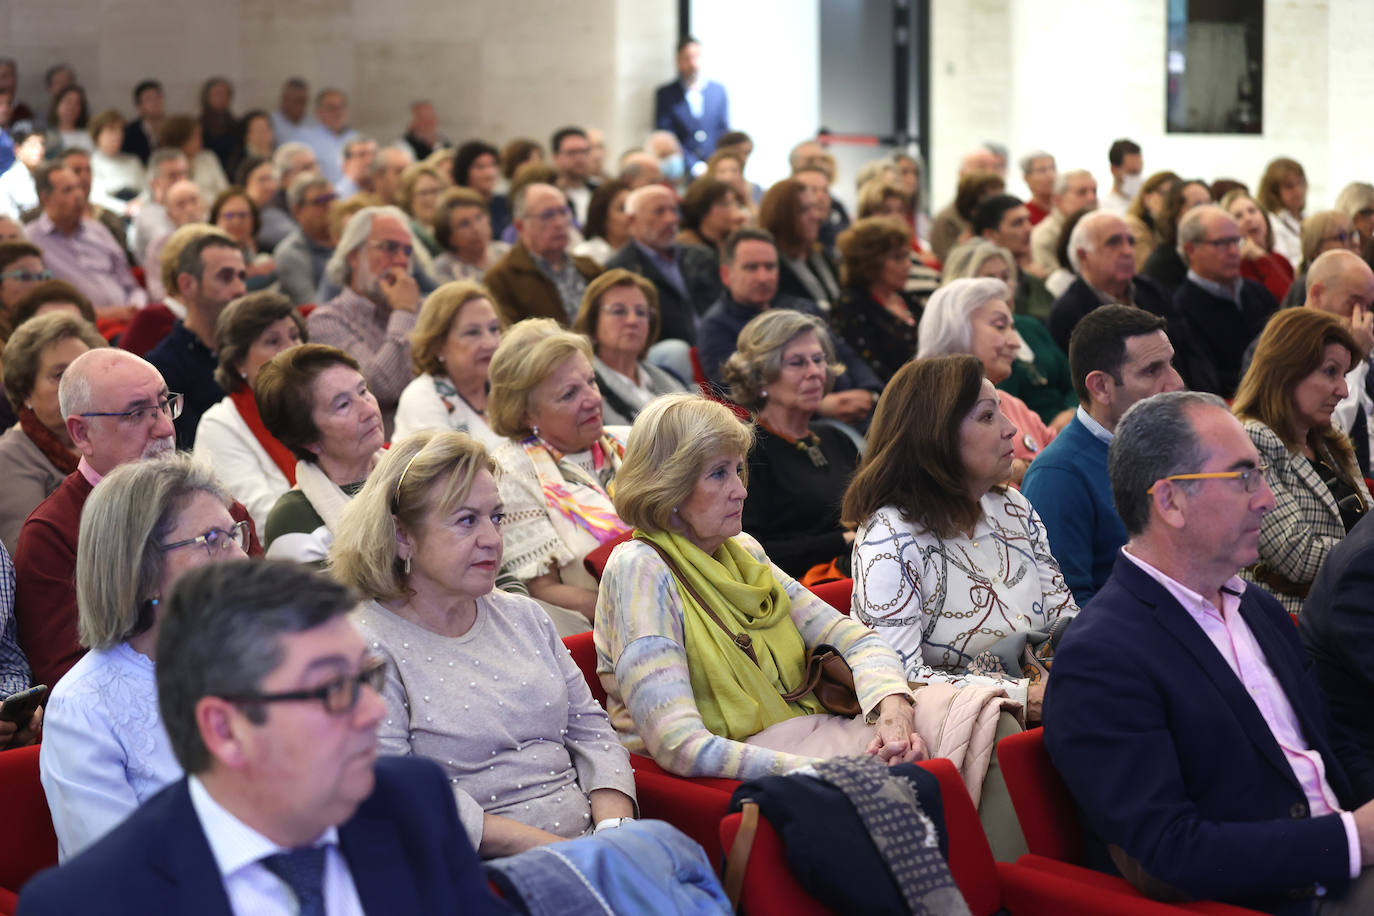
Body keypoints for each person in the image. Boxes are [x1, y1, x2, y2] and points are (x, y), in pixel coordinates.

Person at [19, 558, 510, 915]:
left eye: (367, 678)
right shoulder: (95, 900)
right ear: (225, 729)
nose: (372, 711)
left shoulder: (412, 802)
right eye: (334, 688)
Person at [1043, 390, 1374, 912]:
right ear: (1170, 501)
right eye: (1244, 477)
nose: (1266, 498)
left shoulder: (1258, 611)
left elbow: (1329, 747)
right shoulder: (1102, 657)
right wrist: (1353, 838)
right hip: (1278, 897)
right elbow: (1169, 851)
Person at [329, 430, 639, 854]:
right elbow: (403, 791)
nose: (492, 539)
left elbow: (592, 731)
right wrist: (570, 856)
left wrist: (615, 832)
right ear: (402, 536)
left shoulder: (523, 614)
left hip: (595, 848)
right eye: (466, 520)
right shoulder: (362, 645)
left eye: (495, 517)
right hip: (486, 875)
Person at [596, 393, 919, 779]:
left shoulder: (743, 550)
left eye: (738, 469)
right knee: (941, 744)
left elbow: (857, 640)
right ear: (670, 486)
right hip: (733, 780)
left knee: (963, 716)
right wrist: (829, 770)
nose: (741, 490)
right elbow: (678, 745)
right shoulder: (640, 568)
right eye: (719, 473)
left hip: (807, 736)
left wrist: (894, 708)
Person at [39, 455, 248, 860]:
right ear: (142, 568)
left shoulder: (255, 663)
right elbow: (118, 877)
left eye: (234, 535)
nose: (240, 558)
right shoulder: (82, 708)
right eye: (211, 540)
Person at [844, 353, 1077, 713]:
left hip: (1054, 696)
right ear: (936, 434)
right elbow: (898, 678)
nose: (1010, 428)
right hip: (972, 725)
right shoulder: (891, 535)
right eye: (987, 416)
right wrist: (1020, 696)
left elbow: (1065, 618)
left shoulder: (1012, 506)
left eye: (1001, 411)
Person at [1022, 305, 1184, 605]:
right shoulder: (1058, 476)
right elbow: (1067, 608)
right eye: (1152, 370)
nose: (1175, 383)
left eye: (1170, 364)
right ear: (1101, 387)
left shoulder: (1174, 447)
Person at [486, 319, 629, 633]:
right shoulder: (510, 473)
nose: (592, 399)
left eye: (591, 382)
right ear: (525, 413)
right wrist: (636, 609)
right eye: (569, 394)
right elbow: (542, 591)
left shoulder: (633, 442)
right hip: (608, 629)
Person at [1231, 308, 1370, 614]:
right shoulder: (1252, 440)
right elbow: (1297, 555)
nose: (1343, 390)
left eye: (1344, 375)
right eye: (1330, 371)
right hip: (1294, 620)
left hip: (1349, 605)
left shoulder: (1328, 439)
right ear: (1286, 370)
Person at [718, 310, 858, 580]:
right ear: (760, 377)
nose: (815, 372)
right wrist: (841, 541)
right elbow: (747, 550)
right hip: (794, 593)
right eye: (797, 363)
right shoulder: (746, 449)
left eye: (818, 360)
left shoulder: (835, 437)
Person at [697, 228, 881, 427]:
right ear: (726, 274)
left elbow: (844, 354)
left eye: (770, 267)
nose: (763, 277)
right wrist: (819, 404)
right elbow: (734, 390)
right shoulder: (715, 327)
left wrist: (869, 392)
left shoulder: (803, 308)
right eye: (751, 268)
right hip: (801, 423)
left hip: (856, 407)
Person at [256, 344, 383, 564]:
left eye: (363, 391)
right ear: (309, 440)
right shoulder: (294, 521)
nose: (369, 410)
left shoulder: (415, 473)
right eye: (343, 405)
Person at [918, 277, 1055, 478]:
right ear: (956, 330)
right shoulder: (927, 413)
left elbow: (1065, 462)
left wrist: (1025, 468)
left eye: (1013, 328)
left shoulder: (1014, 406)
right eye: (1000, 326)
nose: (1016, 343)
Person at [192, 292, 306, 533]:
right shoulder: (220, 424)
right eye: (273, 342)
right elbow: (262, 520)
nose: (292, 349)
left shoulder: (317, 406)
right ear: (238, 362)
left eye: (295, 337)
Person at [306, 206, 419, 430]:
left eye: (407, 251)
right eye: (389, 248)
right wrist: (404, 312)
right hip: (387, 454)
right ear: (354, 256)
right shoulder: (327, 321)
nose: (401, 261)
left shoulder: (423, 309)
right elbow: (379, 388)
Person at [0, 313, 104, 553]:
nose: (77, 385)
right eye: (59, 375)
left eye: (84, 371)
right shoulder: (10, 457)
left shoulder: (109, 439)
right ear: (25, 391)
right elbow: (31, 555)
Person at [146, 233, 248, 448]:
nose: (240, 289)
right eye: (226, 277)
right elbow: (192, 449)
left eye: (242, 276)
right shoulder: (163, 368)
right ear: (187, 284)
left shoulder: (251, 350)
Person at [1174, 205, 1280, 398]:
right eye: (1222, 243)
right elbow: (1207, 383)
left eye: (1236, 241)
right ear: (1191, 249)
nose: (1234, 251)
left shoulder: (1256, 292)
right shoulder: (1181, 309)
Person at [25, 163, 145, 319]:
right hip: (79, 327)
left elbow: (131, 286)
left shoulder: (98, 230)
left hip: (128, 317)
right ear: (45, 199)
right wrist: (104, 315)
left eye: (79, 187)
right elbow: (40, 304)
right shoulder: (32, 240)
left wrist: (136, 307)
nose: (79, 195)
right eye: (68, 190)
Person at [604, 183, 720, 345]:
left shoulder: (701, 256)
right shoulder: (621, 270)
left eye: (674, 210)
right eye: (659, 211)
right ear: (632, 220)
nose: (671, 219)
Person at [573, 269, 690, 426]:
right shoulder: (583, 389)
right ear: (593, 321)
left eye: (641, 312)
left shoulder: (669, 377)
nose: (633, 320)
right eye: (619, 311)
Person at [1047, 209, 1176, 353]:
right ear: (1083, 256)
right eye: (1114, 242)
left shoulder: (1151, 290)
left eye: (1131, 242)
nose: (1128, 251)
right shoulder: (1068, 313)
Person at [393, 281, 504, 446]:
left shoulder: (506, 388)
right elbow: (449, 470)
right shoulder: (422, 398)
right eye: (473, 332)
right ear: (438, 345)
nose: (490, 343)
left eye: (494, 329)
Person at [484, 183, 602, 326]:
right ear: (520, 226)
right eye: (548, 215)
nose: (559, 223)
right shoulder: (502, 280)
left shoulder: (589, 267)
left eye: (563, 212)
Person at [831, 216, 923, 385]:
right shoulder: (850, 308)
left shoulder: (907, 299)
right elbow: (868, 373)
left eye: (907, 256)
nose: (908, 265)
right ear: (870, 263)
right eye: (898, 257)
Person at [759, 178, 840, 312]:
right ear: (781, 216)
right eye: (804, 210)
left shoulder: (821, 255)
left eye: (814, 207)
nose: (815, 216)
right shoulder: (770, 266)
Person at [654, 37, 729, 178]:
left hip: (714, 169)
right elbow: (666, 136)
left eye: (696, 57)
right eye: (687, 58)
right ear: (678, 61)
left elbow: (723, 130)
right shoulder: (666, 94)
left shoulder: (717, 91)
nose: (693, 64)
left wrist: (715, 163)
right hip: (682, 171)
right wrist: (693, 164)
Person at [971, 194, 1054, 320]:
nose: (1029, 228)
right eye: (1017, 223)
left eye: (1028, 221)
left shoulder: (1034, 280)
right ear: (990, 235)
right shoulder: (975, 286)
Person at [1221, 187, 1295, 303]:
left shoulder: (1281, 260)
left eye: (1252, 211)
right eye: (1238, 216)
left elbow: (1292, 303)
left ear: (1264, 217)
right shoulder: (1234, 268)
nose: (1248, 218)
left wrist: (1262, 259)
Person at [273, 173, 336, 306]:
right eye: (321, 201)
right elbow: (314, 310)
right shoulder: (290, 254)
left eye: (332, 198)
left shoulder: (348, 241)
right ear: (297, 211)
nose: (331, 206)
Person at [1141, 178, 1211, 295]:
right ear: (1176, 214)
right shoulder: (1163, 265)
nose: (1208, 212)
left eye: (1209, 204)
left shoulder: (1216, 251)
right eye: (1197, 205)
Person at [1285, 211, 1364, 309]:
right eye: (1342, 237)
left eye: (1353, 234)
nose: (1355, 243)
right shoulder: (1304, 287)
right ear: (1316, 250)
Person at [431, 187, 509, 282]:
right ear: (449, 236)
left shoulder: (505, 253)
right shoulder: (442, 271)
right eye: (464, 224)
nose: (477, 228)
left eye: (479, 217)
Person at [1029, 169, 1097, 276]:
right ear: (1058, 200)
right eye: (1082, 192)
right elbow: (1055, 282)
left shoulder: (1102, 227)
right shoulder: (1044, 237)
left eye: (1094, 191)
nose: (1092, 198)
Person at [210, 186, 275, 290]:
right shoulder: (206, 261)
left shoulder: (261, 260)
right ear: (216, 220)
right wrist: (251, 272)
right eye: (229, 215)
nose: (236, 222)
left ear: (254, 221)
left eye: (243, 215)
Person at [156, 114, 227, 201]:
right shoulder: (163, 161)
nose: (201, 141)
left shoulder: (208, 157)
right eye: (195, 137)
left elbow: (224, 189)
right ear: (181, 140)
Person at [87, 109, 145, 216]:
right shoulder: (91, 162)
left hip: (138, 211)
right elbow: (96, 197)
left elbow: (147, 190)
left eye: (120, 131)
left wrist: (139, 202)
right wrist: (124, 208)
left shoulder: (133, 160)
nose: (117, 136)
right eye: (111, 131)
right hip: (109, 215)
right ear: (97, 134)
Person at [452, 139, 511, 237]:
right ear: (464, 172)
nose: (489, 173)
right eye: (480, 167)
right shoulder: (456, 207)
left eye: (493, 165)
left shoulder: (505, 203)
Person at [1125, 170, 1180, 272]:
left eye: (1177, 197)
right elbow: (1147, 268)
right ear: (1147, 197)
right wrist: (1163, 218)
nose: (1171, 201)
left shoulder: (1166, 225)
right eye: (1166, 194)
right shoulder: (1133, 225)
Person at [1258, 156, 1307, 269]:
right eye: (1289, 186)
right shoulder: (1272, 223)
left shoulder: (1307, 217)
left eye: (1301, 183)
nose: (1298, 191)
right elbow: (1283, 265)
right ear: (1273, 192)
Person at [301, 88, 358, 185]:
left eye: (341, 107)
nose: (338, 112)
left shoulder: (357, 138)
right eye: (332, 108)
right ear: (319, 112)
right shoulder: (305, 139)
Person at [570, 179, 631, 267]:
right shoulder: (585, 256)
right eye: (622, 209)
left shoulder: (646, 253)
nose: (630, 215)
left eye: (632, 208)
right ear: (602, 215)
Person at [395, 162, 444, 256]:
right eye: (424, 193)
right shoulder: (407, 234)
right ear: (409, 198)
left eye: (435, 191)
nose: (431, 198)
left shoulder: (452, 230)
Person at [119, 80, 165, 165]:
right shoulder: (130, 132)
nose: (155, 102)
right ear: (139, 106)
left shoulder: (173, 128)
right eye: (149, 99)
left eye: (158, 96)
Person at [1101, 139, 1142, 215]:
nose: (1136, 177)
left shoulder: (1144, 205)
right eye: (1132, 172)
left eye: (1139, 172)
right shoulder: (1103, 208)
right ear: (1114, 170)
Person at [270, 76, 313, 147]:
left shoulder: (312, 123)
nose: (301, 106)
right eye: (297, 101)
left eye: (304, 102)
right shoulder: (271, 124)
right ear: (284, 100)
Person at [46, 85, 90, 155]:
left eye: (77, 103)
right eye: (68, 101)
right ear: (57, 104)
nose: (71, 107)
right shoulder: (45, 136)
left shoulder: (88, 137)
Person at [1019, 151, 1055, 225]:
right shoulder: (1024, 215)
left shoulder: (1067, 208)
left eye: (1053, 168)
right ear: (1027, 178)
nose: (1050, 175)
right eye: (1042, 170)